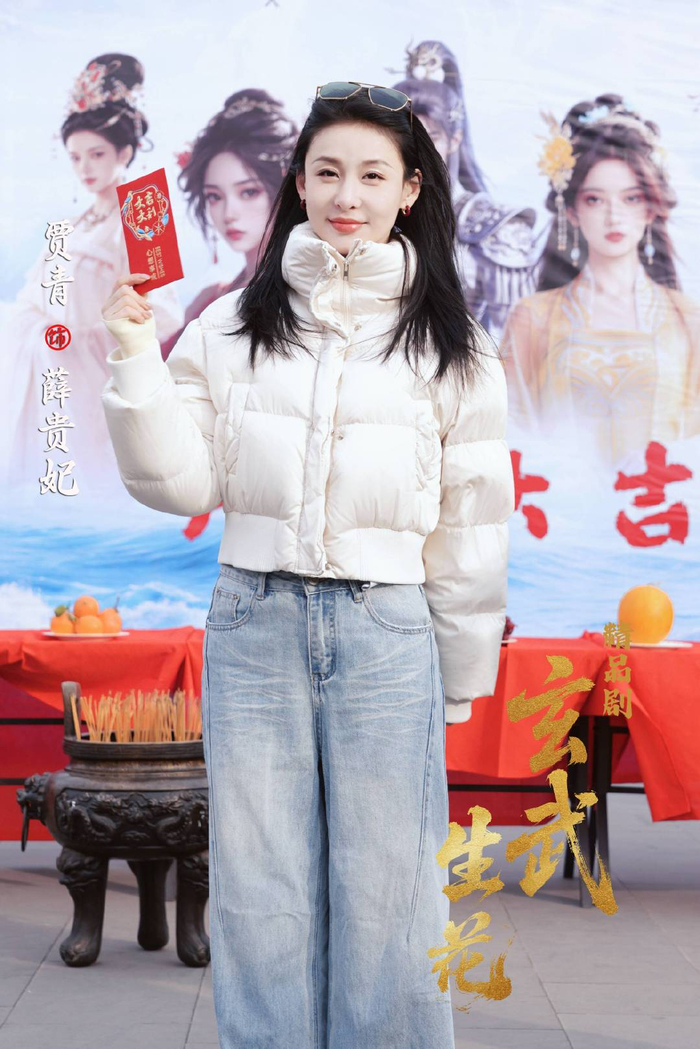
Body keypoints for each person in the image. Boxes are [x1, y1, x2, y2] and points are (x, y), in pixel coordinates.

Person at [100, 80, 514, 1049]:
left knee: (390, 887)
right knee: (260, 885)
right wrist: (132, 353)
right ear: (298, 183)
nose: (347, 194)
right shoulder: (232, 323)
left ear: (410, 189)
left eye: (372, 174)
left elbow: (471, 523)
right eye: (327, 171)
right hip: (254, 620)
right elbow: (182, 482)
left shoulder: (453, 341)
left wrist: (461, 674)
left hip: (385, 630)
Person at [0, 53, 183, 502]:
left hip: (100, 376)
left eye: (97, 154)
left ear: (125, 151)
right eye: (76, 157)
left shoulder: (145, 208)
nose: (85, 167)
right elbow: (31, 301)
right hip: (56, 375)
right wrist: (44, 337)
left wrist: (87, 339)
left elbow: (165, 313)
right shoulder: (71, 224)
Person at [501, 93, 700, 468]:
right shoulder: (533, 317)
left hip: (662, 501)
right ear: (572, 211)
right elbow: (508, 432)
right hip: (559, 500)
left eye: (631, 198)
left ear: (651, 207)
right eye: (595, 199)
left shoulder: (688, 319)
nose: (614, 217)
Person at [391, 39, 543, 343]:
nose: (419, 151)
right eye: (407, 138)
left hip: (463, 365)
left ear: (455, 139)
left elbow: (521, 344)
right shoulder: (368, 212)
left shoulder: (497, 228)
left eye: (432, 137)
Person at [160, 88, 298, 360]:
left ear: (283, 190)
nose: (228, 213)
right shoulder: (210, 298)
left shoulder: (301, 291)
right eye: (215, 196)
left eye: (249, 192)